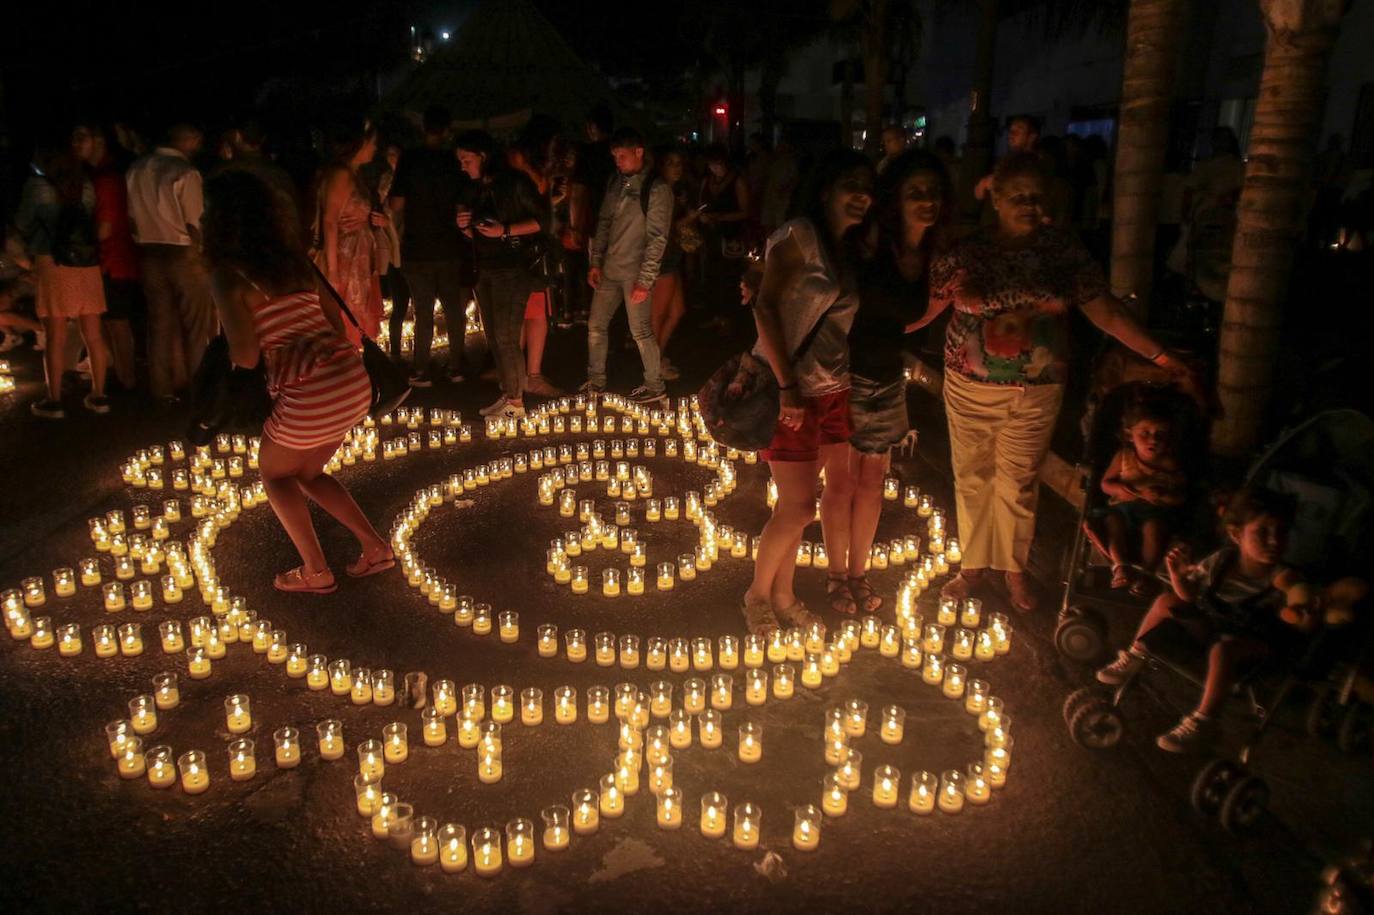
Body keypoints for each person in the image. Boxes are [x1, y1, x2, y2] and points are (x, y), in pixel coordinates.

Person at [912, 152, 1191, 613]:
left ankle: (1013, 569)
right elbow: (925, 309)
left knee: (1018, 482)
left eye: (1036, 196)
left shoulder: (1061, 252)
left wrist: (1162, 356)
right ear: (996, 199)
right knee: (973, 477)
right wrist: (867, 330)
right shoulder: (967, 251)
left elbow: (1105, 311)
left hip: (1039, 388)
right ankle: (974, 567)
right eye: (1017, 196)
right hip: (970, 386)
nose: (1028, 204)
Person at [202, 167, 392, 594]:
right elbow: (334, 323)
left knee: (275, 474)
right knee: (309, 472)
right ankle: (375, 548)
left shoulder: (229, 275)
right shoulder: (296, 262)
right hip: (350, 378)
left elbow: (245, 355)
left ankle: (315, 570)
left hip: (311, 388)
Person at [741, 149, 875, 635]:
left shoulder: (846, 249)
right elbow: (764, 307)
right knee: (798, 507)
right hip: (793, 389)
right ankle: (757, 595)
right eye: (850, 184)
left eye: (867, 188)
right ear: (825, 190)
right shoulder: (801, 235)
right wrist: (787, 386)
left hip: (833, 390)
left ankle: (785, 594)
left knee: (797, 508)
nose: (862, 195)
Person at [825, 149, 952, 616]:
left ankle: (858, 573)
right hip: (846, 376)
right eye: (916, 191)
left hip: (888, 380)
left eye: (933, 191)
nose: (927, 200)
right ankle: (836, 576)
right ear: (895, 197)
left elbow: (910, 316)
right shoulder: (871, 243)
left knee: (873, 483)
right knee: (841, 483)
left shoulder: (930, 254)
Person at [1096, 488, 1314, 752]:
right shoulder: (1221, 561)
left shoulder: (1282, 577)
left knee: (1223, 650)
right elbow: (1188, 595)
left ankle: (1203, 720)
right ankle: (1135, 654)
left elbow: (1297, 606)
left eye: (1281, 532)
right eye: (1263, 532)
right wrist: (1177, 576)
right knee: (1167, 600)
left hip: (1254, 641)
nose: (1274, 541)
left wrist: (1302, 609)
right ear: (1236, 534)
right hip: (1214, 625)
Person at [455, 130, 550, 420]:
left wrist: (504, 231)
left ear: (483, 156)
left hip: (512, 269)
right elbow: (479, 234)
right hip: (484, 268)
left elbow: (542, 221)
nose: (462, 166)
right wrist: (465, 227)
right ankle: (509, 393)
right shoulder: (476, 189)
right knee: (495, 338)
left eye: (467, 160)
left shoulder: (514, 182)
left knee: (507, 336)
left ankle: (516, 403)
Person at [14, 138, 111, 417]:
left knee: (55, 337)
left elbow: (22, 223)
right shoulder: (85, 185)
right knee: (93, 335)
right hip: (86, 263)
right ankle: (99, 396)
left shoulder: (37, 187)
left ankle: (54, 400)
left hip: (51, 262)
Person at [582, 127, 673, 405]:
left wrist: (645, 280)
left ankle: (655, 385)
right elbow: (604, 221)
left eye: (622, 156)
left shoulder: (656, 188)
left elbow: (657, 238)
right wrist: (596, 261)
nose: (618, 161)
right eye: (615, 157)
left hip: (635, 270)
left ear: (639, 152)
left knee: (641, 330)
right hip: (610, 267)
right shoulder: (616, 182)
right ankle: (596, 381)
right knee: (596, 325)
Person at [126, 122, 214, 402]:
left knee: (159, 324)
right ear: (187, 138)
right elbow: (195, 223)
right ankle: (199, 390)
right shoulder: (185, 172)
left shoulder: (136, 169)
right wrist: (203, 257)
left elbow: (132, 219)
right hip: (183, 253)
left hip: (149, 252)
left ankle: (161, 389)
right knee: (196, 325)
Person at [388, 106, 472, 386]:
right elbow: (462, 205)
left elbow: (396, 204)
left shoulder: (409, 159)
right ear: (448, 130)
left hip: (416, 247)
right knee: (453, 309)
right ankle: (456, 367)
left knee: (423, 310)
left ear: (423, 127)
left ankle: (421, 370)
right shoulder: (454, 161)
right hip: (449, 246)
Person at [1087, 394, 1188, 594]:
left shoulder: (1170, 464)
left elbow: (1181, 497)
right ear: (1129, 434)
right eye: (1145, 433)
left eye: (1160, 434)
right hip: (1122, 508)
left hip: (1153, 512)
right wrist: (1119, 489)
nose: (1153, 439)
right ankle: (1120, 566)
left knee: (1154, 528)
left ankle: (1147, 573)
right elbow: (1105, 484)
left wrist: (1162, 496)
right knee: (1113, 524)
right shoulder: (1124, 457)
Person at [313, 122, 386, 346]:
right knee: (346, 318)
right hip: (346, 259)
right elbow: (330, 220)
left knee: (357, 320)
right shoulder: (341, 175)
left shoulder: (355, 174)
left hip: (359, 258)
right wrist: (333, 272)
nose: (375, 148)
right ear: (360, 143)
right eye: (373, 143)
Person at [82, 125, 141, 391]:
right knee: (110, 321)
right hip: (111, 260)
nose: (75, 145)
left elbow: (105, 228)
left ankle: (127, 379)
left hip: (114, 261)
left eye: (81, 138)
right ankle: (121, 376)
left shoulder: (106, 180)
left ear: (99, 140)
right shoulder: (99, 176)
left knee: (117, 322)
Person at [652, 148, 695, 381]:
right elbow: (662, 229)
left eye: (679, 163)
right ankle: (652, 365)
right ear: (661, 166)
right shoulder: (659, 192)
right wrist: (686, 219)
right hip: (662, 259)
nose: (676, 168)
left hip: (672, 257)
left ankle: (656, 356)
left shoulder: (674, 191)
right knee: (658, 315)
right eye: (671, 163)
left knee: (677, 311)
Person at [699, 145, 750, 329]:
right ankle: (715, 314)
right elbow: (701, 204)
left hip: (731, 236)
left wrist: (720, 217)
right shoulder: (707, 181)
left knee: (729, 276)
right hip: (712, 236)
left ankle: (729, 318)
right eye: (711, 164)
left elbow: (745, 211)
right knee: (712, 274)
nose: (715, 168)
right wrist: (703, 216)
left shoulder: (737, 181)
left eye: (718, 164)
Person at [974, 114, 1039, 202]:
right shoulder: (1006, 161)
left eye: (1019, 130)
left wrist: (996, 183)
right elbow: (980, 192)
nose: (1012, 134)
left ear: (1032, 137)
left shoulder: (1037, 163)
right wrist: (984, 183)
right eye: (1011, 130)